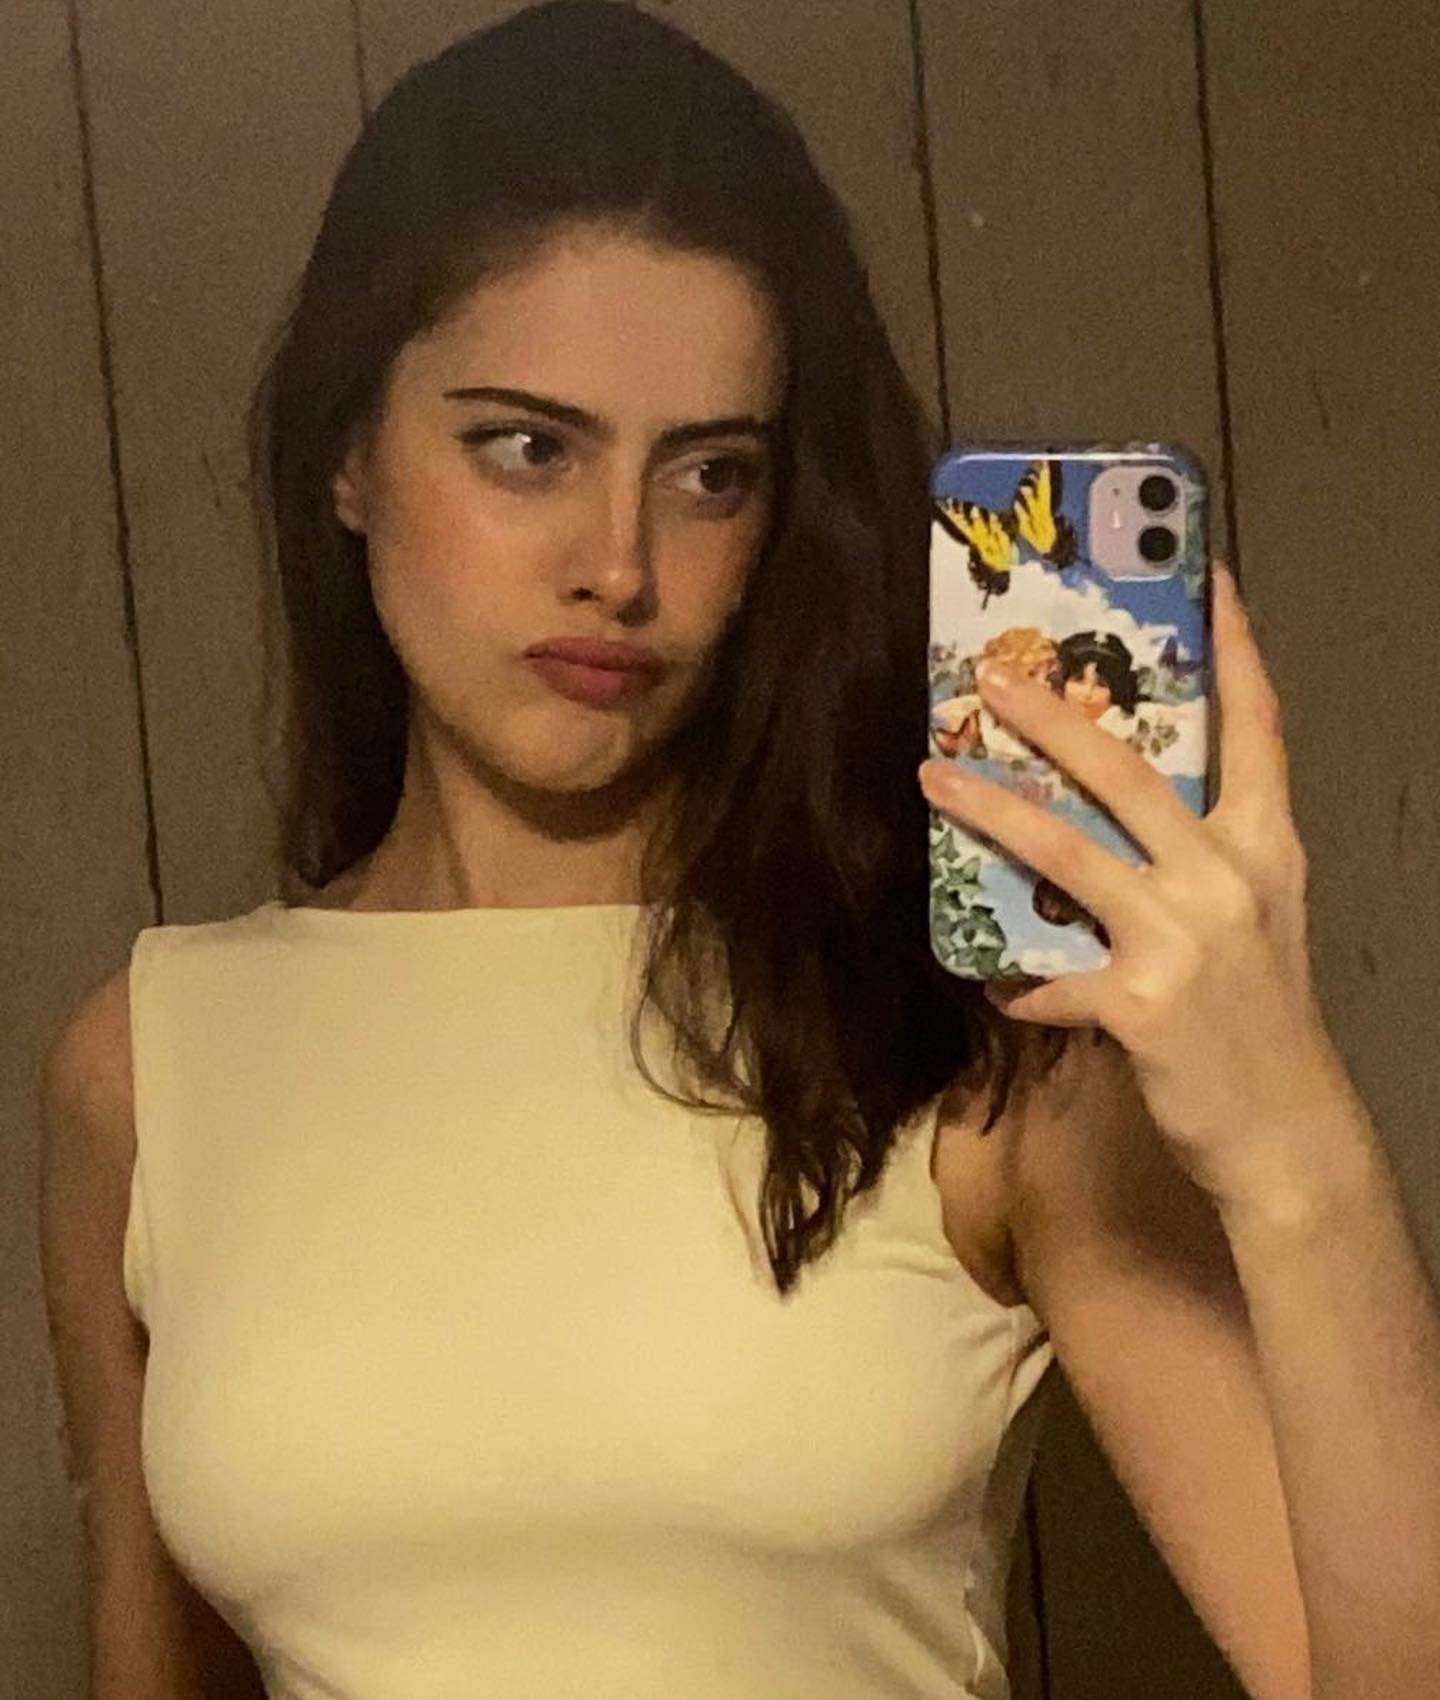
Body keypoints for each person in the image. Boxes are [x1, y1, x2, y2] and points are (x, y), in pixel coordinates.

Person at [41, 4, 1287, 1697]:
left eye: (709, 476)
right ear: (348, 455)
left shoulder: (958, 1035)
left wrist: (1291, 1136)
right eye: (527, 447)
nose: (619, 566)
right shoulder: (144, 1066)